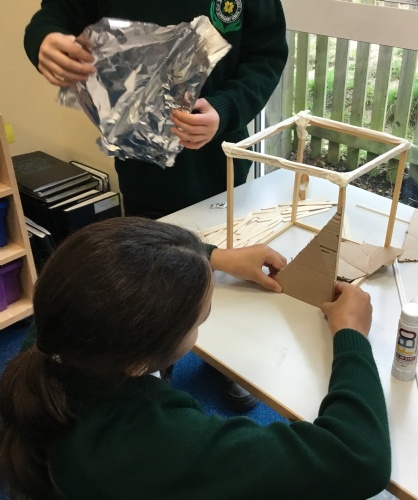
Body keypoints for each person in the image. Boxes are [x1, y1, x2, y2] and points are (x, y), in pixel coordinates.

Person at [0, 218, 391, 499]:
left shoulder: (59, 331)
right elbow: (359, 458)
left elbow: (116, 259)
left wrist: (210, 257)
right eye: (200, 319)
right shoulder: (158, 446)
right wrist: (352, 335)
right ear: (138, 364)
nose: (203, 319)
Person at [24, 0, 289, 409]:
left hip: (220, 162)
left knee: (233, 261)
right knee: (151, 270)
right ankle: (154, 354)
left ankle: (229, 359)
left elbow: (266, 54)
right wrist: (44, 40)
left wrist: (227, 107)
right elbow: (56, 13)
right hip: (144, 169)